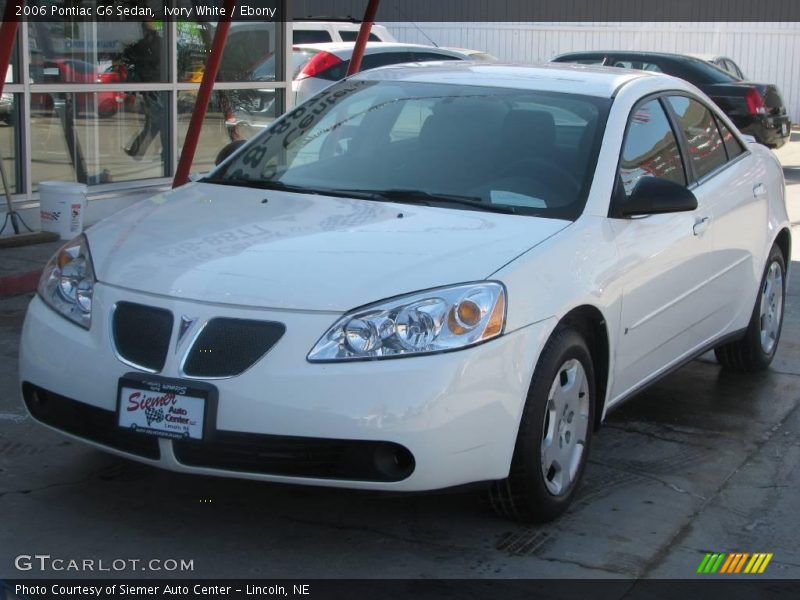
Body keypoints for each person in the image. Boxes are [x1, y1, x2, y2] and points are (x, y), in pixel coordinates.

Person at [119, 21, 167, 163]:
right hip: (155, 88)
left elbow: (148, 62)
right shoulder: (152, 43)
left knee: (157, 122)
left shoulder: (154, 44)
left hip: (157, 88)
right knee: (157, 122)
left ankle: (139, 151)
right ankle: (139, 151)